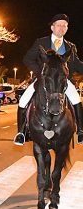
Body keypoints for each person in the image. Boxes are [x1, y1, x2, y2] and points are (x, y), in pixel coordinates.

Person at [14, 13, 83, 145]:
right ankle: (21, 133)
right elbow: (28, 59)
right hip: (43, 79)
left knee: (76, 99)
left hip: (62, 81)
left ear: (67, 29)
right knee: (23, 100)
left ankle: (80, 131)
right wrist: (41, 73)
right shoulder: (41, 42)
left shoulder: (71, 47)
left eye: (64, 26)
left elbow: (77, 65)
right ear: (52, 27)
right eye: (59, 25)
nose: (61, 28)